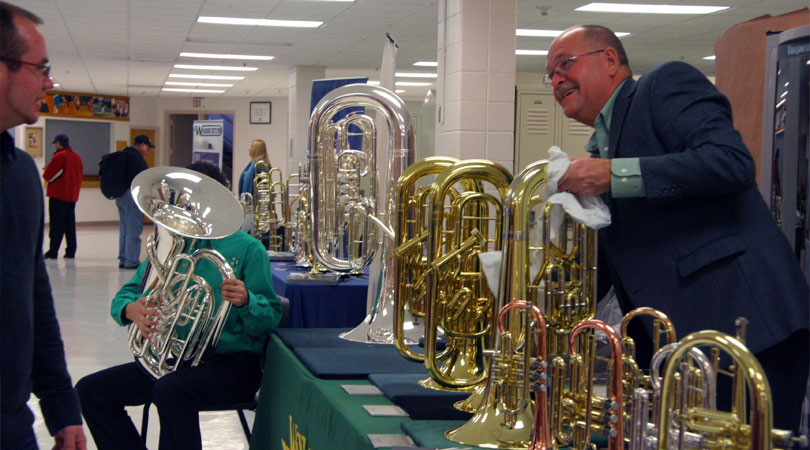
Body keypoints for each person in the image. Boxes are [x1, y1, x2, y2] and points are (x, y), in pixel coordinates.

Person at [550, 25, 809, 432]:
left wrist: (615, 175)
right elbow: (617, 257)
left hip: (745, 328)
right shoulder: (604, 145)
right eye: (550, 75)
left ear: (611, 60)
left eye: (565, 64)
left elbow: (730, 162)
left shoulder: (662, 85)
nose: (557, 80)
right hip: (688, 344)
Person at [76, 161, 282, 450]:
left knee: (170, 391)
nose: (190, 209)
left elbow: (270, 317)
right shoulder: (176, 243)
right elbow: (127, 294)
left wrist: (248, 301)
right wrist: (131, 310)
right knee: (90, 391)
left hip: (232, 366)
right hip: (173, 360)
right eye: (187, 201)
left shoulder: (249, 249)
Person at [0, 2, 87, 449]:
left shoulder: (19, 174)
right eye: (41, 68)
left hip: (12, 422)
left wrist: (59, 401)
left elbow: (32, 291)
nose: (50, 83)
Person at [43, 133, 83, 259]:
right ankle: (71, 251)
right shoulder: (76, 157)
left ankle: (53, 251)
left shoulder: (59, 156)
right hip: (72, 196)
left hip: (58, 196)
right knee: (70, 226)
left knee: (56, 226)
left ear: (59, 144)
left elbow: (48, 176)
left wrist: (47, 169)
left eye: (55, 144)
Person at [116, 134, 150, 269]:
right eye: (147, 147)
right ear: (142, 145)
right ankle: (131, 260)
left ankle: (123, 258)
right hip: (132, 195)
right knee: (133, 228)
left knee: (124, 227)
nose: (147, 151)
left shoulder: (125, 154)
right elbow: (142, 179)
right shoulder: (137, 159)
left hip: (121, 195)